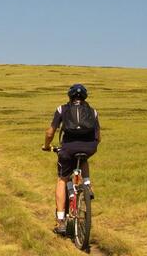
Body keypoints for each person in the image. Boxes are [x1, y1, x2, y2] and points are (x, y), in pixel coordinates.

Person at [42, 84, 100, 235]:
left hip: (68, 149)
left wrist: (47, 146)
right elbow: (98, 137)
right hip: (89, 148)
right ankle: (87, 185)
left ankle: (61, 221)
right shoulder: (93, 111)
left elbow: (50, 133)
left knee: (62, 179)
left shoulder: (62, 109)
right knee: (84, 158)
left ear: (70, 96)